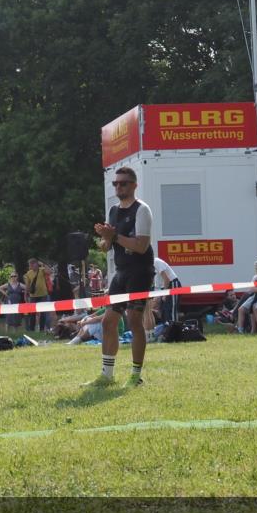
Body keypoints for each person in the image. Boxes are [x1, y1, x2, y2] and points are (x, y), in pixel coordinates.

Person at [91, 165, 154, 387]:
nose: (118, 187)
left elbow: (141, 246)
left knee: (134, 321)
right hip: (121, 272)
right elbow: (107, 245)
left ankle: (136, 376)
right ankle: (107, 375)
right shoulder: (113, 211)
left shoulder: (142, 210)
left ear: (134, 185)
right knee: (108, 322)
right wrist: (104, 239)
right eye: (115, 183)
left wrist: (114, 236)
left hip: (140, 272)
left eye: (123, 183)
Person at [23, 259, 49, 332]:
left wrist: (43, 264)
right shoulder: (29, 273)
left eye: (32, 264)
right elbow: (27, 285)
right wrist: (25, 295)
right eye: (30, 265)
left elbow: (50, 271)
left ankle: (41, 329)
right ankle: (32, 329)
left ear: (36, 264)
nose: (31, 266)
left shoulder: (42, 270)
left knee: (43, 313)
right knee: (32, 313)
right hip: (33, 296)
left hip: (43, 295)